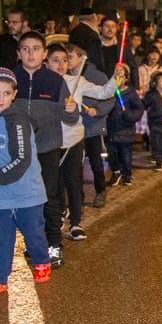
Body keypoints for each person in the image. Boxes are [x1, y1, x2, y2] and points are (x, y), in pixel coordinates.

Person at [0, 68, 52, 295]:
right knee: (1, 238)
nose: (0, 98)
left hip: (26, 191)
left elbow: (21, 159)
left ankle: (41, 261)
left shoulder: (16, 121)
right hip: (0, 193)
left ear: (14, 94)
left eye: (6, 93)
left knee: (33, 232)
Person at [13, 32, 74, 268]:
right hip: (19, 150)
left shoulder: (55, 81)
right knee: (26, 199)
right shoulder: (10, 79)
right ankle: (34, 242)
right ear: (18, 53)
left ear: (44, 54)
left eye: (36, 48)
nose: (31, 54)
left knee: (48, 196)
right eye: (25, 49)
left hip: (47, 148)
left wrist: (71, 110)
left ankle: (54, 243)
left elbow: (70, 117)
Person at [47, 44, 118, 241]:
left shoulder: (76, 82)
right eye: (55, 60)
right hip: (50, 141)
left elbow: (104, 92)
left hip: (74, 139)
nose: (61, 64)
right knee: (54, 182)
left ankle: (76, 223)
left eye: (64, 60)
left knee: (73, 181)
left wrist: (116, 77)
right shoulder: (43, 83)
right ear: (46, 61)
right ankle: (59, 215)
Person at [106, 71, 145, 186]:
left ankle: (127, 174)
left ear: (126, 78)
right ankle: (116, 171)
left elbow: (139, 109)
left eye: (121, 77)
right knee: (111, 152)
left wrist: (129, 116)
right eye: (115, 77)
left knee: (126, 153)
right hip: (112, 129)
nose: (118, 79)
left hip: (125, 129)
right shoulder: (109, 92)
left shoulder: (131, 93)